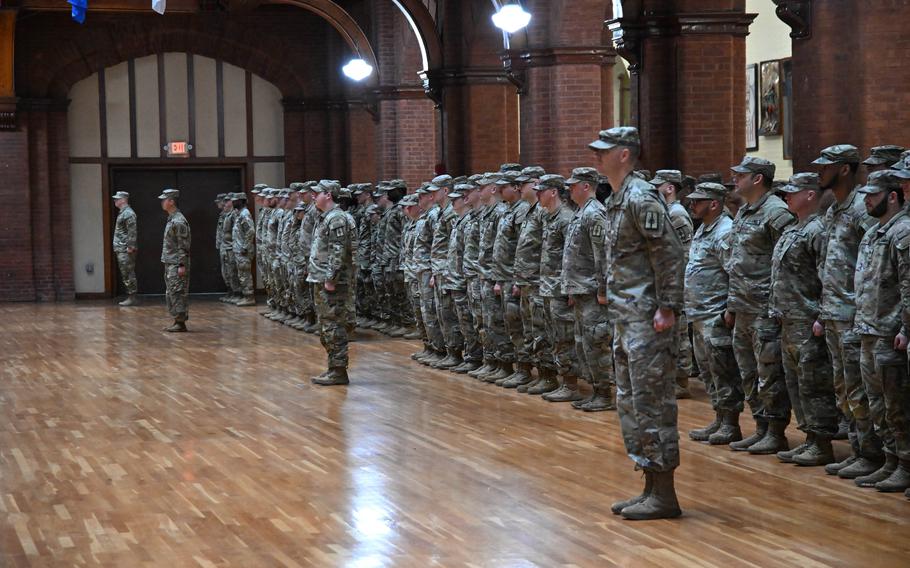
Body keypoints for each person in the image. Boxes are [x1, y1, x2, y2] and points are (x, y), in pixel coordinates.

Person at [591, 127, 684, 520]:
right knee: (631, 402)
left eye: (604, 151)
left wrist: (668, 306)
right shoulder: (617, 198)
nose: (597, 157)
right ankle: (648, 485)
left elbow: (668, 253)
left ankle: (664, 493)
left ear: (625, 154)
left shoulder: (641, 197)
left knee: (652, 402)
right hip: (626, 319)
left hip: (648, 319)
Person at [812, 145, 883, 478]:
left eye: (826, 166)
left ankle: (871, 453)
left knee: (858, 388)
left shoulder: (861, 209)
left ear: (844, 169)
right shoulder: (834, 210)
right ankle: (858, 450)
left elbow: (873, 265)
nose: (818, 172)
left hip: (854, 314)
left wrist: (861, 309)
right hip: (832, 312)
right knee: (843, 386)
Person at [725, 156, 796, 454]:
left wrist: (779, 307)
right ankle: (760, 426)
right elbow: (736, 262)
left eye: (741, 175)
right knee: (748, 371)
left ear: (757, 179)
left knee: (769, 371)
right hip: (742, 305)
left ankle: (776, 431)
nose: (735, 179)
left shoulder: (776, 213)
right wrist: (731, 304)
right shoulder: (743, 211)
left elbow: (788, 263)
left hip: (765, 307)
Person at [770, 173, 837, 466]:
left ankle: (822, 443)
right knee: (796, 383)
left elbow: (827, 277)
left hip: (808, 319)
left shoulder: (818, 231)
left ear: (810, 195)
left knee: (813, 384)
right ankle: (809, 436)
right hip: (788, 318)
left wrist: (821, 316)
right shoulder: (792, 229)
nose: (787, 196)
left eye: (793, 192)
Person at [852, 170, 910, 492]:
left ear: (893, 196)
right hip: (869, 329)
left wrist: (906, 327)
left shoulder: (903, 232)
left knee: (896, 404)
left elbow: (907, 287)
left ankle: (904, 462)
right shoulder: (873, 233)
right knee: (876, 402)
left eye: (873, 194)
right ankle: (889, 459)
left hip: (890, 332)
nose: (867, 200)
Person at [684, 182, 744, 445]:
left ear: (715, 204)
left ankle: (730, 424)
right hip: (699, 313)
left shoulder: (724, 232)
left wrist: (730, 309)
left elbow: (735, 273)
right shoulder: (704, 230)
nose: (693, 205)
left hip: (715, 314)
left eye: (698, 201)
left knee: (723, 371)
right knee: (708, 371)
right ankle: (719, 419)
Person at [561, 166, 614, 412]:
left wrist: (603, 291)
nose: (569, 189)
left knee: (596, 342)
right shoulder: (579, 213)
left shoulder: (595, 214)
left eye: (573, 184)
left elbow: (602, 257)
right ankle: (595, 389)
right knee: (584, 343)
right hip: (581, 291)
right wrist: (571, 288)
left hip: (593, 293)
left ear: (586, 186)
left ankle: (604, 394)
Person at [308, 181, 357, 386]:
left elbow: (338, 251)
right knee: (327, 324)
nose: (313, 196)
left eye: (317, 193)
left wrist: (331, 278)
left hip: (333, 282)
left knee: (334, 324)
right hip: (321, 278)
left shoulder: (336, 218)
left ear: (328, 195)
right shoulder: (326, 217)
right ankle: (333, 367)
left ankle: (338, 370)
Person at [534, 175, 580, 399]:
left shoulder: (566, 218)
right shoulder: (548, 217)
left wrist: (570, 288)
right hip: (547, 286)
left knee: (564, 336)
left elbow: (572, 256)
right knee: (553, 335)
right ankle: (559, 379)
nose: (537, 196)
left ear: (553, 192)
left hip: (560, 289)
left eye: (540, 191)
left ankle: (570, 384)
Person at [651, 170, 695, 398]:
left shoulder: (677, 214)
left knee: (679, 334)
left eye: (659, 186)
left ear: (670, 188)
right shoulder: (666, 212)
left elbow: (685, 254)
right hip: (666, 281)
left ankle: (681, 380)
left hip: (677, 284)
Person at [159, 188, 191, 332]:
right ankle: (177, 321)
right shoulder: (172, 218)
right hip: (170, 262)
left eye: (164, 200)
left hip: (177, 263)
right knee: (172, 292)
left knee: (178, 292)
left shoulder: (178, 221)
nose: (162, 202)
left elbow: (183, 245)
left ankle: (180, 322)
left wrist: (182, 264)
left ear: (171, 201)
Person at [112, 190, 139, 306]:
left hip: (125, 249)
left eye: (117, 199)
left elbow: (132, 232)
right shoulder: (123, 212)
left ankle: (132, 297)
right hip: (121, 248)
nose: (115, 201)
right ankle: (130, 296)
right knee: (125, 272)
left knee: (128, 272)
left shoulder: (128, 213)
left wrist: (130, 246)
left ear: (123, 200)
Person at [231, 192, 256, 306]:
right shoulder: (239, 213)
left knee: (245, 274)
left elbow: (250, 231)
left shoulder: (244, 214)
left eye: (235, 200)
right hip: (239, 249)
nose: (233, 202)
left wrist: (245, 246)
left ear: (241, 201)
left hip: (243, 250)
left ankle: (249, 297)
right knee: (242, 274)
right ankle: (246, 295)